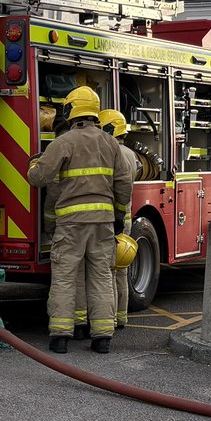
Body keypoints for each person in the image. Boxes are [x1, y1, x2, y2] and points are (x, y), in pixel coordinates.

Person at [28, 86, 132, 355]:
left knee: (64, 277)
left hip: (71, 224)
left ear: (71, 110)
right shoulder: (110, 143)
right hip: (103, 223)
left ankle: (61, 336)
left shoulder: (63, 142)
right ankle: (102, 337)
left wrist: (33, 164)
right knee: (101, 277)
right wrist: (118, 214)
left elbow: (40, 179)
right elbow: (123, 183)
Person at [98, 109, 140, 329]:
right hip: (126, 218)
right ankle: (121, 317)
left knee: (107, 272)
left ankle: (111, 318)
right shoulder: (131, 154)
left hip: (112, 218)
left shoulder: (112, 152)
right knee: (121, 271)